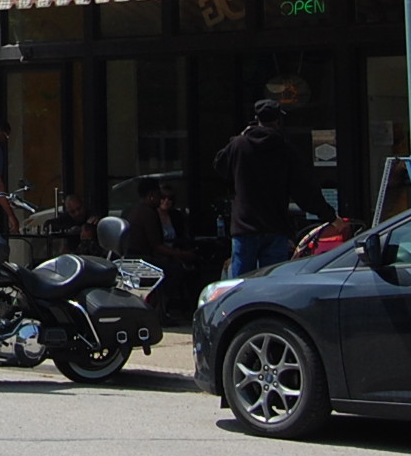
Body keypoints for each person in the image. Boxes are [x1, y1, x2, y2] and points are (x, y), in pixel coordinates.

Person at [214, 100, 333, 278]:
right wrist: (328, 215)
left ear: (256, 119)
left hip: (245, 226)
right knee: (272, 284)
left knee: (239, 285)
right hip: (275, 225)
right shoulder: (284, 148)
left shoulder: (239, 145)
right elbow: (303, 188)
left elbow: (219, 165)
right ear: (278, 121)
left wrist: (240, 136)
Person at [121, 180, 198, 320]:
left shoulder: (132, 210)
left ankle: (159, 307)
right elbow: (157, 246)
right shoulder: (148, 213)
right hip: (141, 260)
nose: (161, 199)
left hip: (129, 258)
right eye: (159, 195)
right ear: (151, 195)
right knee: (174, 271)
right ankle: (160, 308)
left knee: (170, 266)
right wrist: (182, 254)